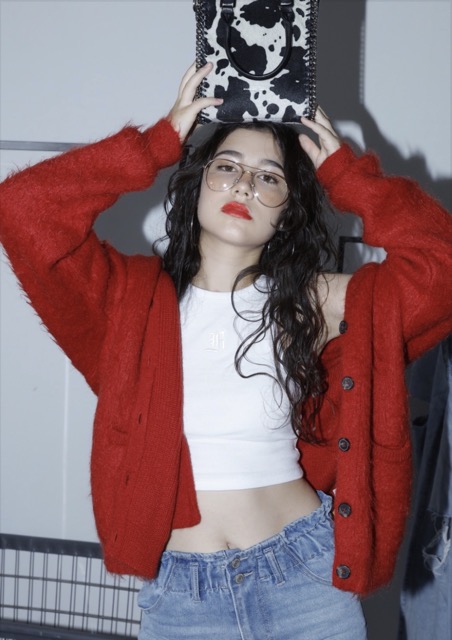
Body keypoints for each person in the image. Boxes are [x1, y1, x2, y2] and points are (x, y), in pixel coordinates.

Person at [0, 62, 451, 639]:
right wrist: (157, 143)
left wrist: (348, 174)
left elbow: (441, 267)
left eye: (269, 178)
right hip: (182, 599)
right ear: (196, 185)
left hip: (305, 581)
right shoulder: (130, 305)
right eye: (227, 167)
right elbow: (22, 209)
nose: (244, 186)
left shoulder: (317, 303)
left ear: (287, 212)